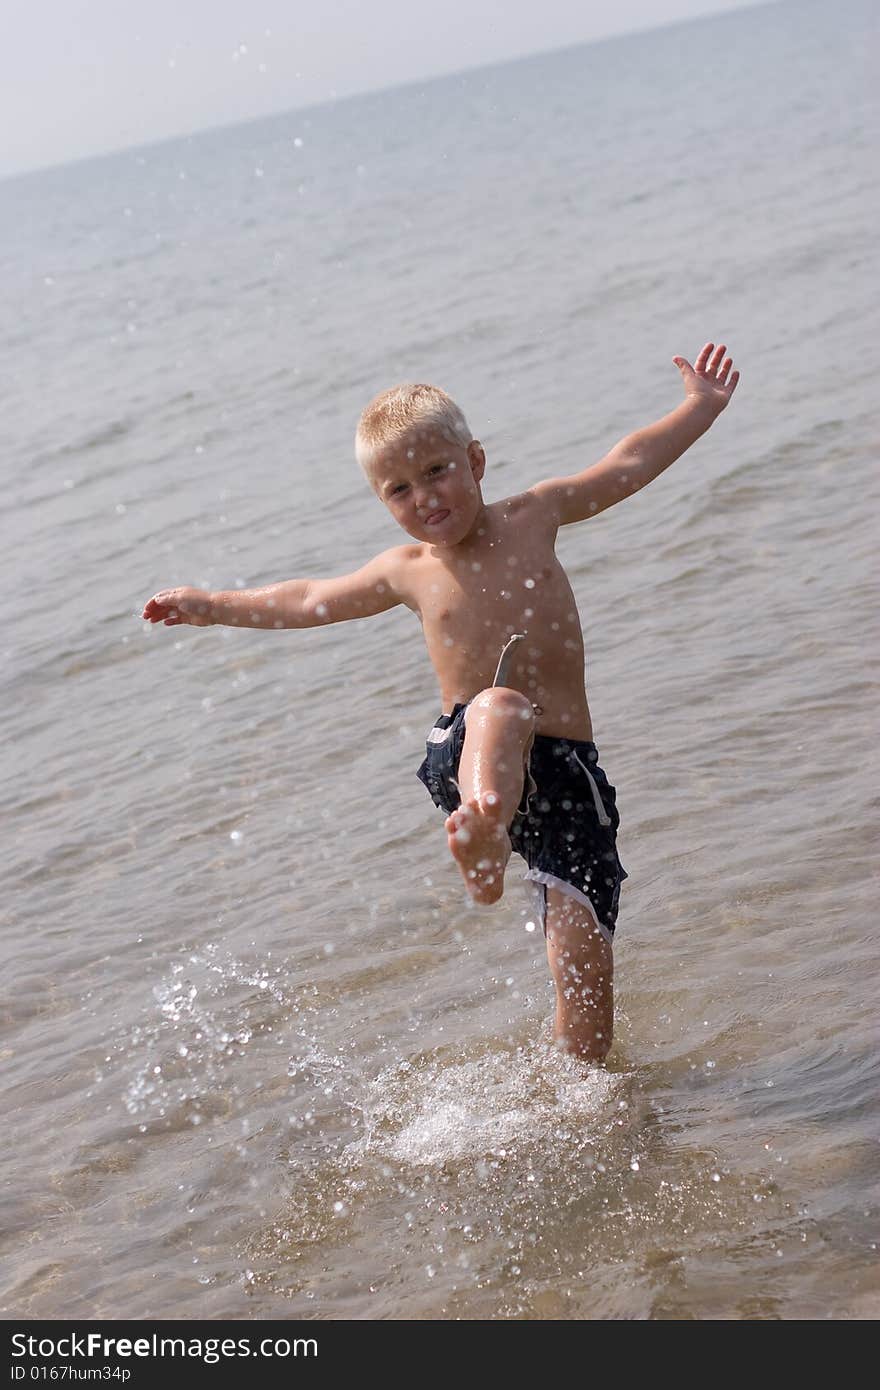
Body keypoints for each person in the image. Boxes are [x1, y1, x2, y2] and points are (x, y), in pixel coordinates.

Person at [143, 342, 739, 1061]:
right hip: (470, 754)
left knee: (585, 973)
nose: (423, 497)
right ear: (381, 502)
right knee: (501, 706)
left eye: (435, 472)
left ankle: (580, 1096)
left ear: (475, 462)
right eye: (398, 489)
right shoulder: (406, 571)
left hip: (567, 774)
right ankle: (484, 832)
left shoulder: (534, 516)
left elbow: (625, 467)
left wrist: (700, 406)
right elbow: (307, 599)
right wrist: (213, 606)